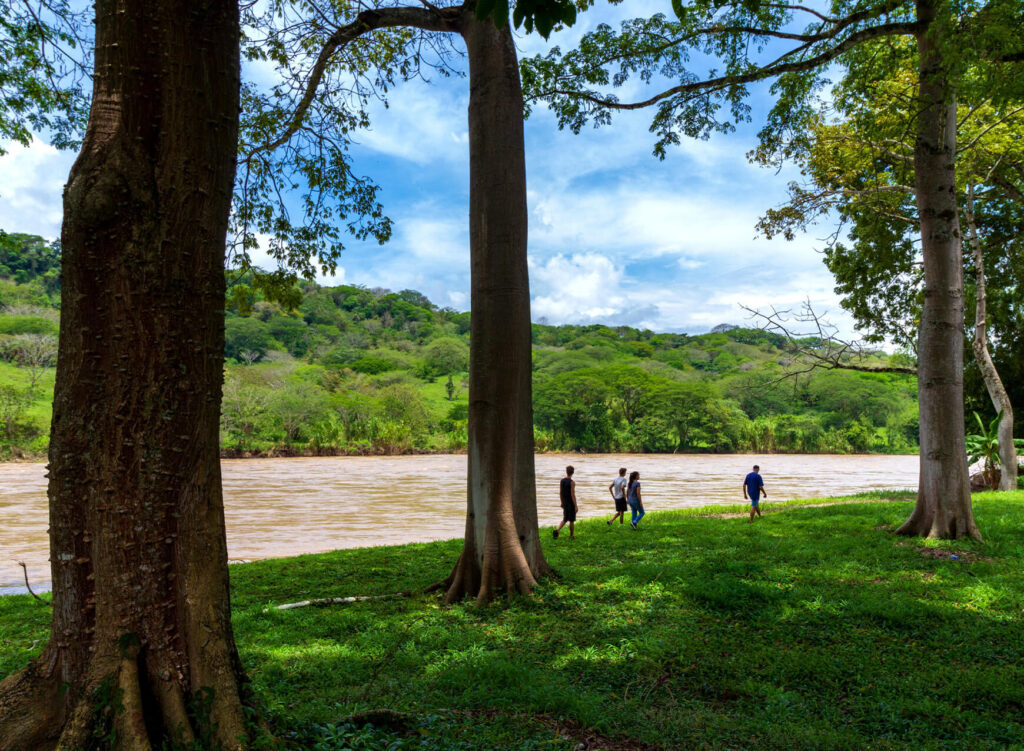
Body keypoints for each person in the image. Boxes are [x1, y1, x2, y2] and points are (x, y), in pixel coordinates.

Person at [554, 465, 577, 539]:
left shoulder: (562, 480)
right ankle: (571, 535)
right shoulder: (572, 482)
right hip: (570, 503)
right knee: (571, 520)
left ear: (566, 472)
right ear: (573, 472)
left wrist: (562, 502)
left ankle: (557, 530)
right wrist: (575, 505)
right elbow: (572, 494)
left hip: (565, 502)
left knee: (565, 518)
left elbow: (560, 492)